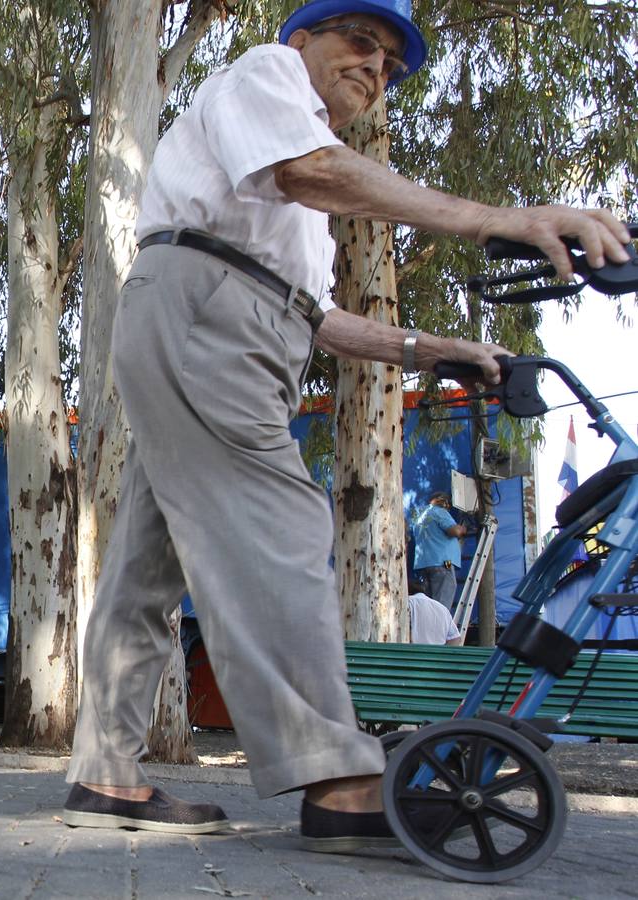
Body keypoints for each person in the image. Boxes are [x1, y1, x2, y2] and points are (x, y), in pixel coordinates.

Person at [61, 0, 632, 851]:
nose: (375, 67)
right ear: (303, 39)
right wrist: (501, 218)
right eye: (359, 42)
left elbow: (312, 316)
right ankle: (339, 782)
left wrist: (425, 348)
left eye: (391, 64)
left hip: (213, 320)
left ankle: (104, 772)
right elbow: (306, 174)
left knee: (148, 566)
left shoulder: (287, 185)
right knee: (279, 523)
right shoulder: (266, 73)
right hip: (208, 318)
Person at [413, 492, 466, 611]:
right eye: (445, 501)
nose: (447, 505)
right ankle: (439, 629)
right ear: (438, 500)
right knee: (441, 606)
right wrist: (462, 529)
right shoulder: (438, 511)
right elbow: (454, 531)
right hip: (443, 562)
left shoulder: (419, 515)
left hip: (424, 564)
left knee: (429, 605)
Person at [407, 579, 463, 646]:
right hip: (436, 655)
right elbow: (455, 638)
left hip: (411, 653)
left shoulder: (407, 602)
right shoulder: (443, 608)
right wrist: (444, 654)